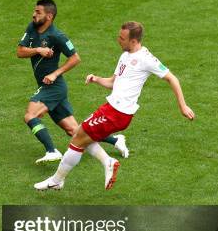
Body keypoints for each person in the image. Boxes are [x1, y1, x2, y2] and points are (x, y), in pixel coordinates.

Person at [35, 21, 195, 191]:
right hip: (111, 109)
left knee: (77, 139)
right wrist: (96, 79)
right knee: (79, 134)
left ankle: (58, 180)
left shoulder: (146, 59)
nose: (118, 40)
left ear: (133, 41)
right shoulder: (125, 56)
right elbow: (113, 82)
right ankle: (105, 162)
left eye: (122, 38)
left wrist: (183, 106)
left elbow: (172, 78)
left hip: (117, 113)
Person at [18, 0, 128, 164]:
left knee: (30, 115)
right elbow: (20, 52)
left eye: (38, 12)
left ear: (49, 16)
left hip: (54, 86)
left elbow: (75, 58)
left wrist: (55, 74)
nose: (33, 14)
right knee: (74, 131)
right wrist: (38, 50)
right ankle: (115, 141)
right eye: (34, 11)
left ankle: (51, 151)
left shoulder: (57, 36)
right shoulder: (32, 28)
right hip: (45, 85)